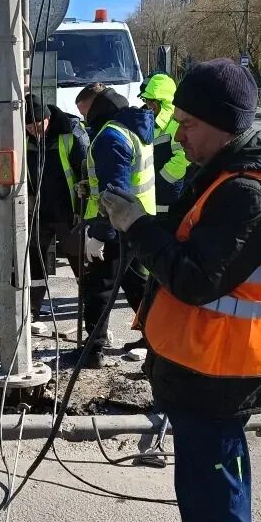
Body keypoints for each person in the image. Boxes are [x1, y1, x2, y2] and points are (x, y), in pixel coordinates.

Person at [99, 58, 261, 522]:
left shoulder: (246, 193)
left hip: (226, 370)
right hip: (206, 365)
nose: (178, 134)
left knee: (215, 485)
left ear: (220, 124)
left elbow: (194, 278)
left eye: (188, 123)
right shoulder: (221, 175)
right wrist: (144, 224)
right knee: (201, 478)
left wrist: (137, 226)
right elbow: (189, 241)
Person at [72, 83, 158, 367]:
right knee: (136, 285)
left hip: (117, 226)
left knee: (99, 287)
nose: (83, 118)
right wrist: (90, 185)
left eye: (84, 111)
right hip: (139, 221)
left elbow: (115, 192)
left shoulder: (110, 136)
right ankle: (156, 340)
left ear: (95, 105)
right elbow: (125, 177)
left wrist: (100, 234)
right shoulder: (133, 127)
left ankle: (93, 350)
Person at [24, 94, 89, 319]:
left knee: (79, 259)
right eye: (29, 127)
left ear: (48, 118)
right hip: (39, 212)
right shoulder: (24, 137)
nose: (34, 131)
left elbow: (86, 173)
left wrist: (82, 211)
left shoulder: (71, 133)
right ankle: (32, 310)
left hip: (68, 211)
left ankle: (90, 306)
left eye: (38, 125)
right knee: (36, 261)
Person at [138, 73, 192, 207]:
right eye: (146, 100)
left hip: (169, 192)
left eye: (152, 100)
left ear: (164, 100)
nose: (148, 104)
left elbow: (182, 159)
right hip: (155, 192)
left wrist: (160, 180)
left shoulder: (175, 124)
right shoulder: (154, 122)